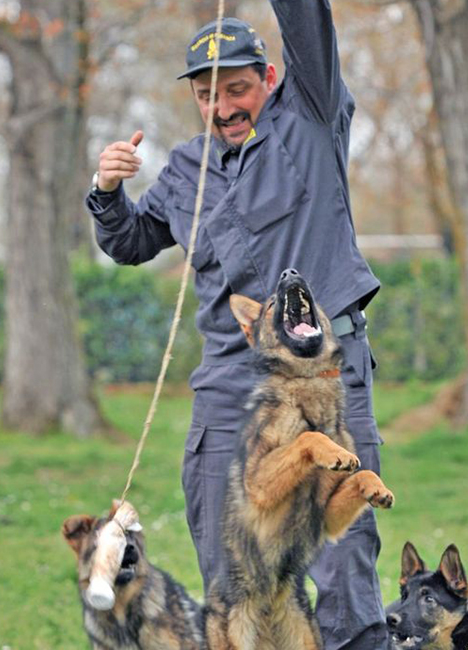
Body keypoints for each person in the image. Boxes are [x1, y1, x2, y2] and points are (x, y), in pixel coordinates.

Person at [85, 2, 385, 648]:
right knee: (232, 570)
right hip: (229, 386)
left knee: (342, 560)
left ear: (270, 78)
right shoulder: (187, 170)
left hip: (325, 373)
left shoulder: (310, 117)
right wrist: (106, 193)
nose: (223, 107)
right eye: (206, 95)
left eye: (238, 89)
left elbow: (308, 19)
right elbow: (134, 240)